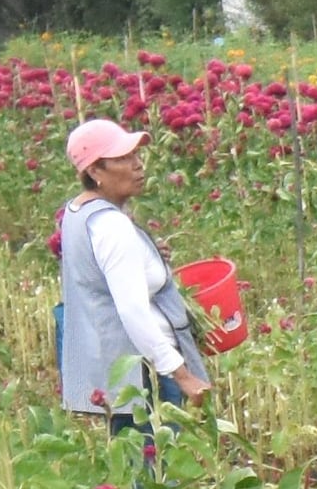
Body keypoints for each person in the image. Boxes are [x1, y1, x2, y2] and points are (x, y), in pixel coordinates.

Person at [56, 117, 205, 435]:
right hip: (145, 373)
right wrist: (181, 375)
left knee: (134, 464)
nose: (138, 165)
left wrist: (146, 255)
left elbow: (99, 274)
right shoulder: (112, 226)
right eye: (124, 158)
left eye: (136, 155)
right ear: (95, 171)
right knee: (159, 472)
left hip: (112, 369)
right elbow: (132, 311)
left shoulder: (78, 212)